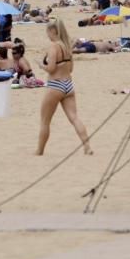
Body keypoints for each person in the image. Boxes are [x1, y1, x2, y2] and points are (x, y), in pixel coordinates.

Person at [37, 18, 92, 156]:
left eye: (48, 32)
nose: (47, 35)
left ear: (53, 31)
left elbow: (51, 68)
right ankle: (87, 146)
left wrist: (41, 65)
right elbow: (71, 68)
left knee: (45, 121)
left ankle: (39, 151)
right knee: (74, 118)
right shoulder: (67, 46)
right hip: (68, 85)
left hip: (55, 85)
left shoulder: (54, 47)